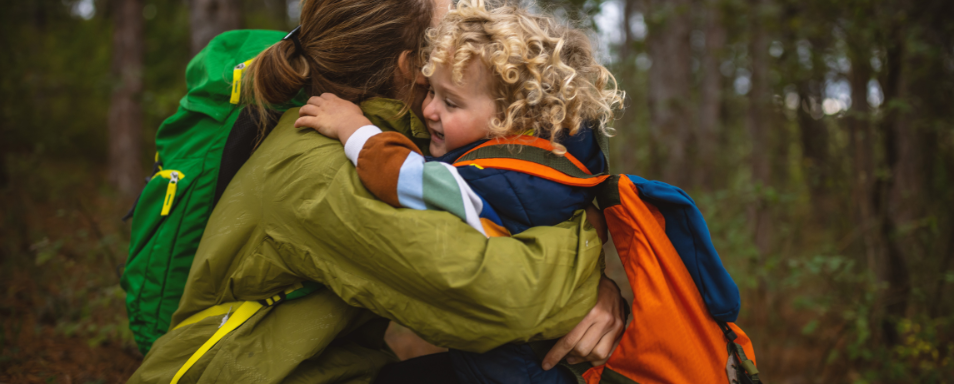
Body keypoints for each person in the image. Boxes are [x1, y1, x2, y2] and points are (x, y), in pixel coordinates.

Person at [126, 0, 625, 383]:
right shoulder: (318, 173)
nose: (463, 20)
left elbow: (511, 203)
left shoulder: (399, 130)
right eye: (447, 20)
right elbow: (499, 298)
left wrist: (600, 286)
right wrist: (587, 269)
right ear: (411, 67)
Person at [294, 2, 624, 383]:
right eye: (431, 90)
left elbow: (407, 179)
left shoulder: (492, 177)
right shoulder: (552, 160)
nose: (430, 108)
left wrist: (354, 129)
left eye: (450, 102)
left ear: (510, 117)